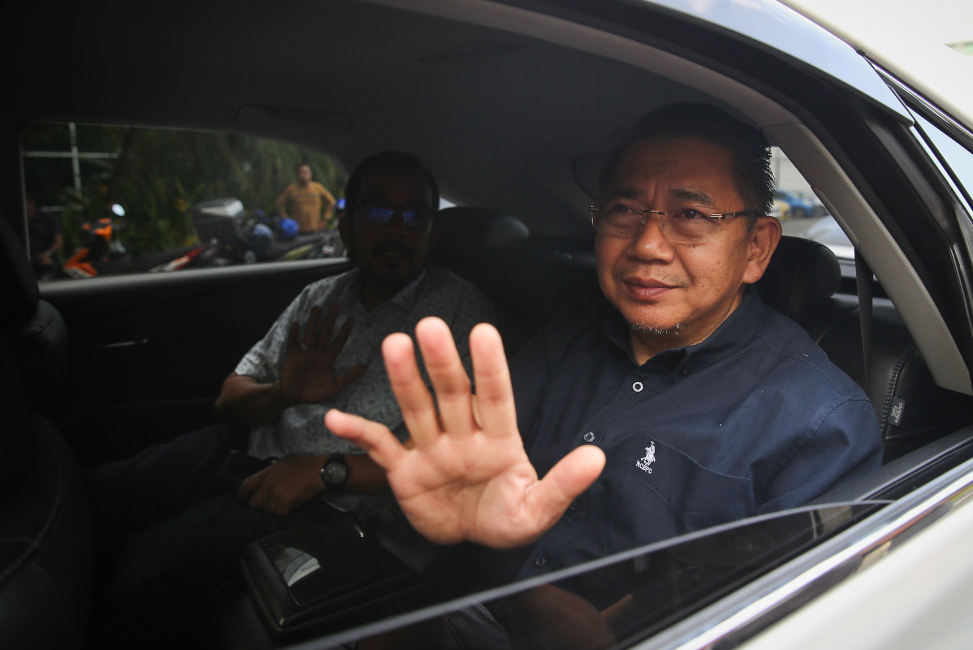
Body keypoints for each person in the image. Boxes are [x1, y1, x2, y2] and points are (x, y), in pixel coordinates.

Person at [325, 104, 883, 588]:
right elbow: (478, 469)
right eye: (624, 210)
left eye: (690, 215)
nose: (646, 245)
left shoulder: (817, 423)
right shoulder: (570, 334)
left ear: (757, 248)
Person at [86, 151, 495, 647]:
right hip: (242, 447)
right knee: (97, 499)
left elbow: (453, 457)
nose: (396, 228)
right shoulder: (320, 297)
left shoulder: (460, 313)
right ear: (346, 226)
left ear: (433, 233)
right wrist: (281, 394)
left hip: (328, 500)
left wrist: (322, 469)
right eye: (378, 210)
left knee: (144, 568)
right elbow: (230, 398)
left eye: (414, 216)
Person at [274, 162, 338, 233]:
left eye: (306, 172)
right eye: (301, 172)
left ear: (310, 173)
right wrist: (286, 219)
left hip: (315, 228)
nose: (303, 175)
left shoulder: (317, 187)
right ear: (297, 174)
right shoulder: (291, 189)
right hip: (297, 230)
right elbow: (279, 203)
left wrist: (326, 219)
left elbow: (332, 202)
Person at [26, 197, 62, 279]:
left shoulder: (46, 218)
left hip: (45, 259)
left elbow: (58, 241)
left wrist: (47, 254)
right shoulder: (20, 220)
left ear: (31, 203)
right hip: (27, 259)